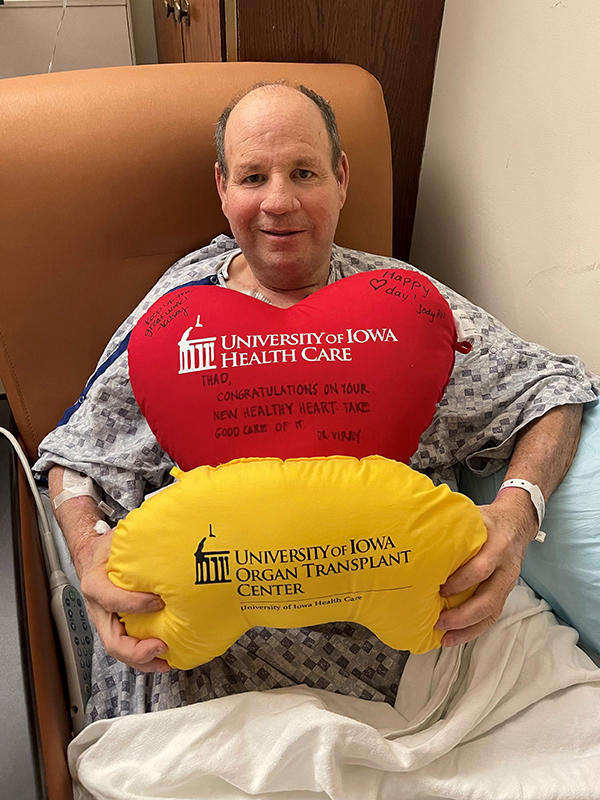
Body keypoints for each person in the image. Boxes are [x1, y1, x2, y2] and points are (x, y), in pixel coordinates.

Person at [35, 82, 598, 723]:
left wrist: (518, 514)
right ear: (222, 188)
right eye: (253, 176)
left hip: (399, 643)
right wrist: (88, 550)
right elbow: (77, 454)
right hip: (202, 658)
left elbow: (554, 390)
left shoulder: (403, 303)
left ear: (341, 179)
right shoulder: (178, 313)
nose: (278, 202)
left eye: (303, 171)